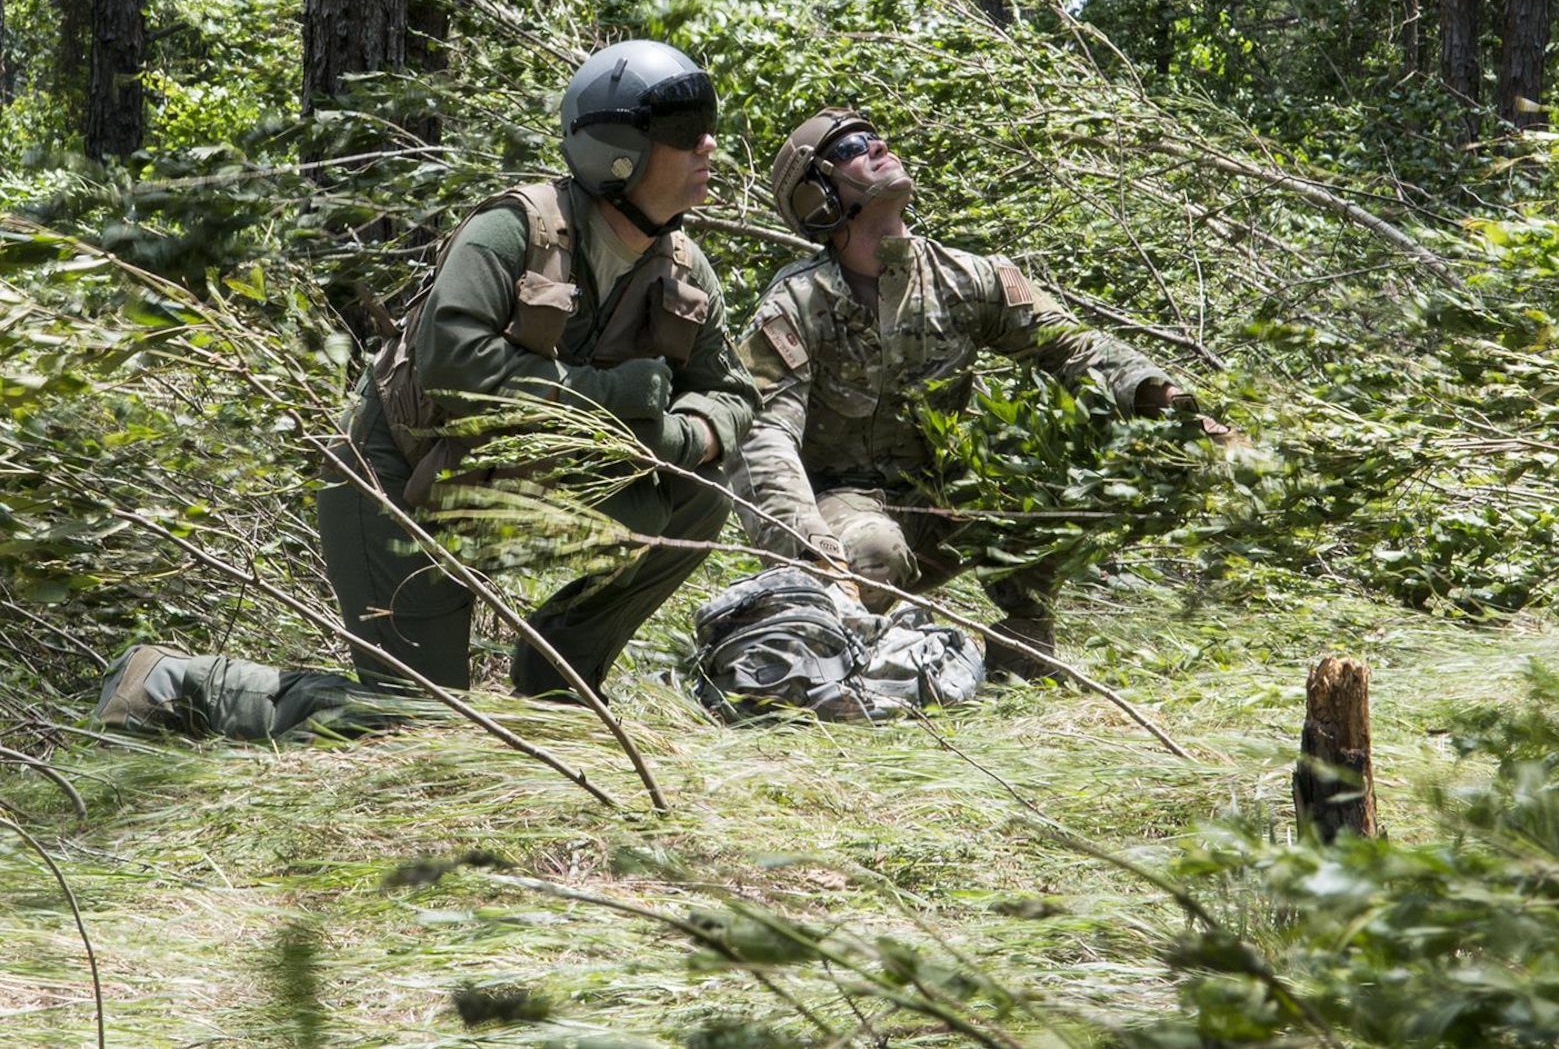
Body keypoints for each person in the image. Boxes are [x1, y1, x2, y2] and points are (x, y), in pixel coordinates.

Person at [97, 40, 759, 737]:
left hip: (511, 491)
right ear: (619, 150)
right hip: (399, 484)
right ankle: (168, 684)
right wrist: (613, 393)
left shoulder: (684, 270)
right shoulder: (512, 230)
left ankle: (558, 682)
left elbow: (733, 395)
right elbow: (455, 364)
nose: (708, 147)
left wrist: (681, 436)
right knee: (418, 725)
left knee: (693, 497)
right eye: (686, 134)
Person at [729, 107, 1208, 681]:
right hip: (842, 506)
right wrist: (808, 546)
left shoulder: (967, 277)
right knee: (873, 553)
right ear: (819, 200)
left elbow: (1071, 348)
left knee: (1049, 479)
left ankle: (1024, 650)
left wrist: (1161, 396)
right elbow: (763, 435)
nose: (880, 144)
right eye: (854, 145)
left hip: (944, 495)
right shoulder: (796, 305)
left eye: (877, 134)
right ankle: (838, 656)